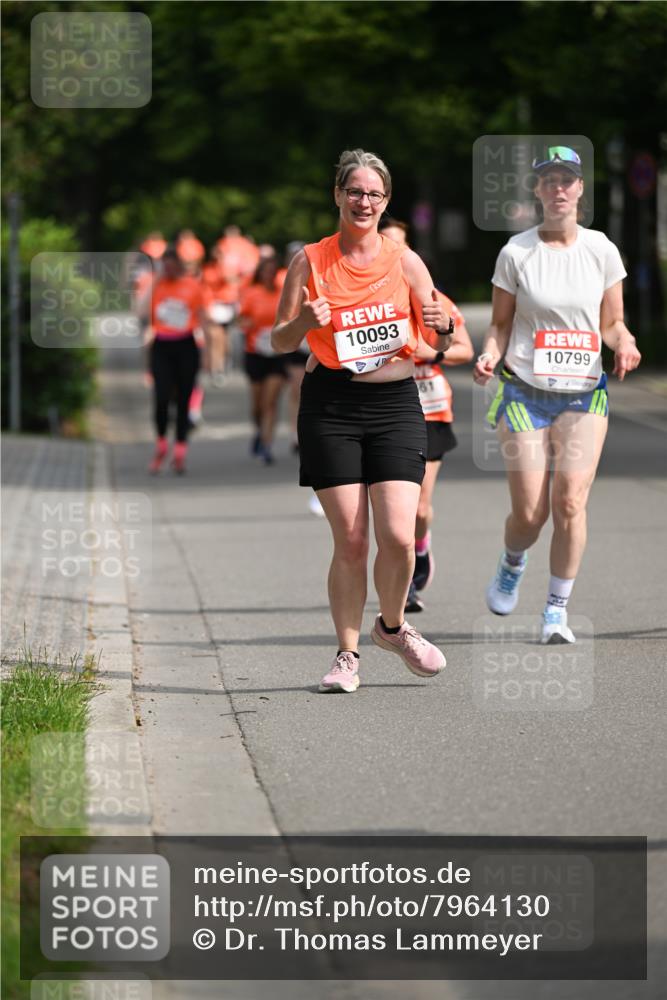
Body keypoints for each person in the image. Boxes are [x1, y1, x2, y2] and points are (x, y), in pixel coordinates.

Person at [271, 149, 454, 693]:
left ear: (386, 201)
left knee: (399, 536)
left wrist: (441, 328)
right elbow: (278, 338)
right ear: (338, 196)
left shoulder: (405, 260)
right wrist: (304, 319)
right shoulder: (310, 260)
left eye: (375, 194)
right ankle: (347, 655)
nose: (364, 201)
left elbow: (437, 336)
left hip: (396, 403)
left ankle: (392, 628)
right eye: (355, 191)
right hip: (331, 406)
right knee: (351, 541)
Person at [473, 145, 641, 643]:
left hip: (583, 393)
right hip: (524, 392)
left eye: (568, 179)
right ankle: (512, 559)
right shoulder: (517, 252)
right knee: (530, 513)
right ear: (538, 190)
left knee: (570, 502)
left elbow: (611, 322)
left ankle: (555, 610)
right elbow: (500, 326)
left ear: (581, 189)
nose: (559, 188)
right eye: (550, 180)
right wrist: (488, 354)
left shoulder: (601, 250)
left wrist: (626, 342)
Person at [379, 218, 474, 613]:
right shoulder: (368, 302)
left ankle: (419, 558)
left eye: (402, 247)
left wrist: (429, 352)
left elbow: (464, 349)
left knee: (418, 507)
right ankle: (396, 579)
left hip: (430, 409)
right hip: (384, 408)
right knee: (389, 512)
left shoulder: (434, 298)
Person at [143, 248, 208, 474]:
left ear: (179, 266)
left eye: (172, 266)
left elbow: (203, 317)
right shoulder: (156, 285)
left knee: (183, 399)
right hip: (161, 346)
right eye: (165, 266)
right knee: (161, 398)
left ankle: (180, 448)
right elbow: (141, 313)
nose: (168, 270)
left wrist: (207, 353)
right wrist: (154, 283)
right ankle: (161, 442)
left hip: (186, 345)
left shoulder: (192, 285)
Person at [239, 255, 286, 465]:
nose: (269, 275)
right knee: (257, 406)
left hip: (277, 354)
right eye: (266, 271)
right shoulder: (252, 294)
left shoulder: (283, 294)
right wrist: (247, 324)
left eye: (273, 271)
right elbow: (240, 319)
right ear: (260, 273)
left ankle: (266, 445)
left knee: (270, 403)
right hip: (255, 352)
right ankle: (259, 432)